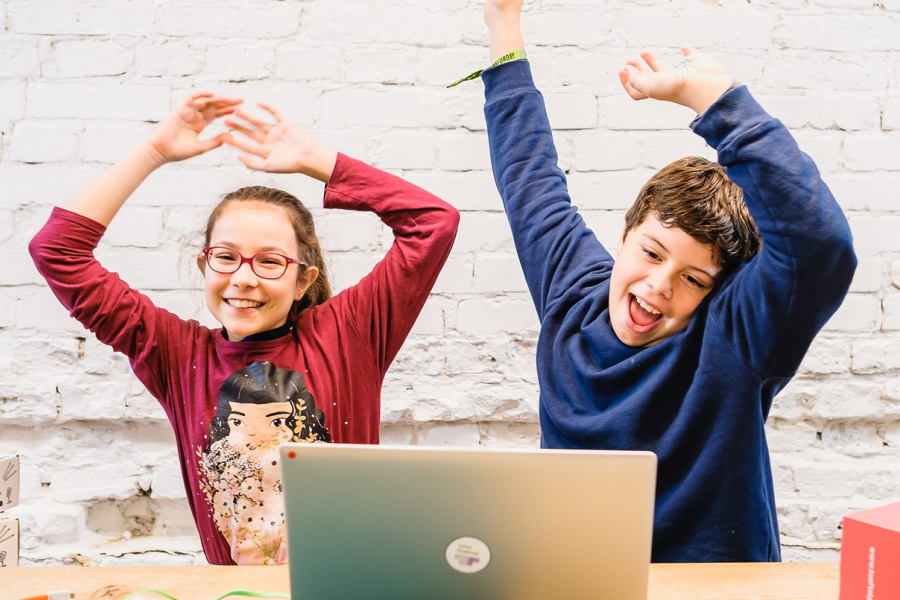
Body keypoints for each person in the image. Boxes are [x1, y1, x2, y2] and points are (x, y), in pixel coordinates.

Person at [478, 0, 856, 562]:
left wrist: (717, 101)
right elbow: (528, 176)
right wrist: (503, 22)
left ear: (719, 290)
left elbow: (820, 246)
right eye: (651, 252)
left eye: (692, 279)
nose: (657, 286)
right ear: (626, 233)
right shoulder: (574, 292)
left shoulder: (736, 338)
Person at [29, 92, 460, 565]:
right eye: (227, 256)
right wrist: (152, 152)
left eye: (270, 261)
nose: (244, 277)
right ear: (205, 264)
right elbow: (57, 251)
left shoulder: (348, 334)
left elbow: (433, 223)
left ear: (303, 281)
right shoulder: (174, 354)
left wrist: (316, 161)